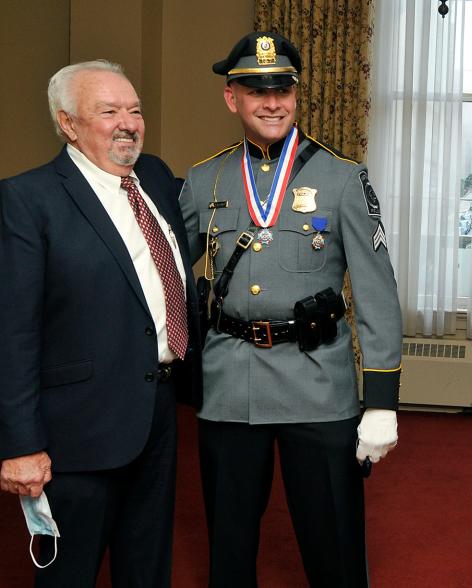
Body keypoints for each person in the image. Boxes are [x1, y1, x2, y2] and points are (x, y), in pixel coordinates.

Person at [178, 32, 403, 587]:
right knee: (228, 550)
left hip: (317, 384)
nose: (271, 101)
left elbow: (377, 293)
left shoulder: (342, 178)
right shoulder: (205, 180)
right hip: (231, 384)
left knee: (334, 546)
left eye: (282, 87)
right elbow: (166, 274)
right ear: (233, 98)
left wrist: (380, 401)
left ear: (297, 94)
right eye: (256, 89)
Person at [0, 60, 199, 586]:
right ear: (68, 123)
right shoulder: (27, 199)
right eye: (108, 111)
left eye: (134, 110)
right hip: (77, 429)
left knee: (148, 565)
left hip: (157, 411)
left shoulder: (154, 176)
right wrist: (20, 444)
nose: (127, 123)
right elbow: (13, 332)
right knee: (71, 573)